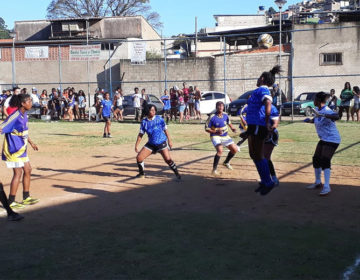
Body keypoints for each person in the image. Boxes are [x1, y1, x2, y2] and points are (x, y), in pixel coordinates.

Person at [246, 65, 281, 196]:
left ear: (262, 78)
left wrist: (266, 122)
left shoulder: (263, 90)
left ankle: (268, 182)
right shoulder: (259, 90)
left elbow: (268, 103)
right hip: (253, 126)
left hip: (258, 126)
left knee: (259, 155)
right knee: (254, 155)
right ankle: (264, 181)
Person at [0, 93, 39, 209]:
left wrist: (31, 142)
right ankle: (11, 201)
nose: (31, 103)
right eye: (29, 101)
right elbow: (2, 127)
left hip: (21, 148)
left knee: (28, 169)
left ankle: (26, 197)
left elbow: (24, 132)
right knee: (18, 173)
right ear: (22, 103)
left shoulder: (24, 115)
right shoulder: (15, 116)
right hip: (12, 149)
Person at [304, 92, 341, 196]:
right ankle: (318, 182)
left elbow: (337, 116)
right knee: (316, 158)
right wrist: (309, 121)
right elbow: (318, 120)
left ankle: (327, 186)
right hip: (324, 138)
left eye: (315, 99)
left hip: (332, 139)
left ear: (319, 101)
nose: (313, 101)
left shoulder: (326, 110)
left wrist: (323, 114)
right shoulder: (318, 110)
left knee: (325, 160)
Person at [135, 104, 181, 180]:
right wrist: (136, 145)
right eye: (152, 110)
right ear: (147, 111)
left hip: (161, 142)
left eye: (154, 110)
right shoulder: (144, 122)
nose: (154, 111)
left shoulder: (159, 119)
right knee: (139, 158)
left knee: (168, 160)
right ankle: (141, 174)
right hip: (151, 144)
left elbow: (165, 130)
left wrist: (169, 140)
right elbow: (140, 134)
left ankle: (177, 173)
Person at [206, 101, 239, 176]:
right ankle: (214, 170)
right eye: (219, 106)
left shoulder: (225, 115)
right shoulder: (212, 117)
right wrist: (216, 132)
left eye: (222, 106)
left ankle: (226, 162)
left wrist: (232, 128)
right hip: (215, 136)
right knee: (220, 150)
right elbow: (206, 129)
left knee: (234, 149)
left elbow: (229, 122)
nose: (220, 108)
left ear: (223, 107)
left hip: (225, 136)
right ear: (216, 107)